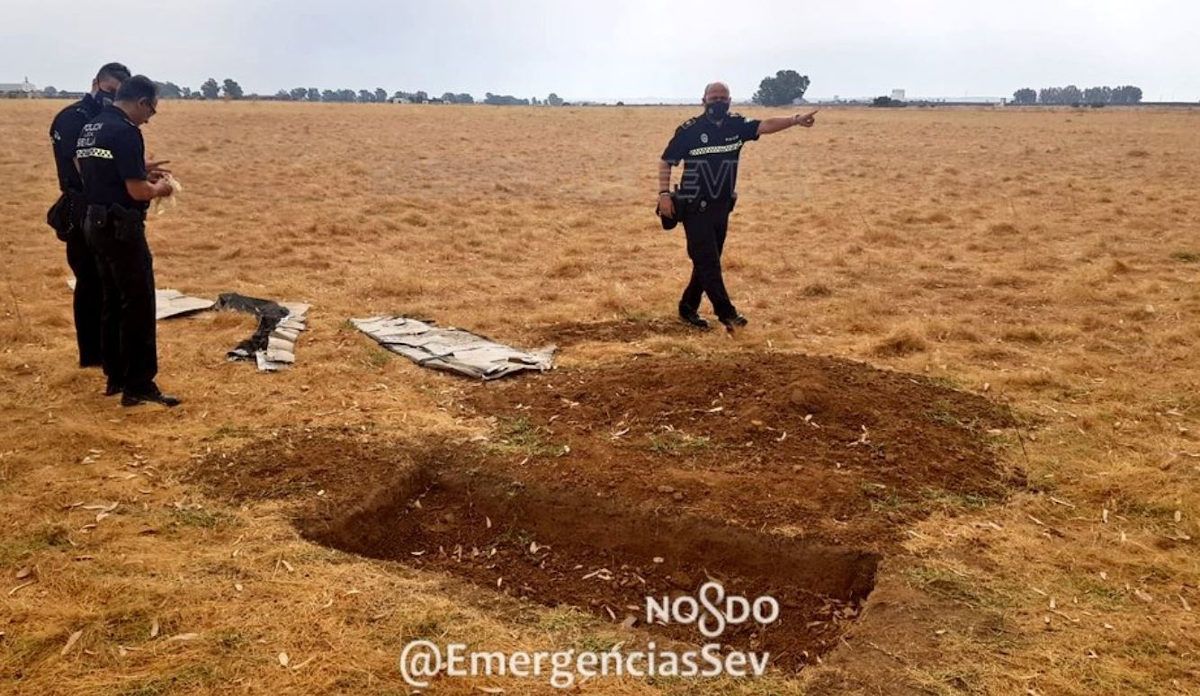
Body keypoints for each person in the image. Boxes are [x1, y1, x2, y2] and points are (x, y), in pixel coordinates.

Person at [657, 81, 816, 331]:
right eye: (713, 97)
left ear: (729, 101)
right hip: (694, 205)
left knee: (707, 261)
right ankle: (728, 315)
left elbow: (766, 125)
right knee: (708, 262)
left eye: (723, 98)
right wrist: (664, 194)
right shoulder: (690, 130)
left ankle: (687, 307)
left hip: (722, 207)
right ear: (704, 100)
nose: (718, 101)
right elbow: (666, 161)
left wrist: (795, 119)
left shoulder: (737, 125)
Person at [76, 75, 179, 407]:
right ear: (141, 102)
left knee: (111, 299)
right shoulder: (126, 131)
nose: (151, 117)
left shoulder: (91, 127)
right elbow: (137, 191)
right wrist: (160, 189)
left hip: (94, 221)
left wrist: (135, 169)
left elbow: (86, 169)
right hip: (122, 226)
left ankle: (116, 377)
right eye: (152, 109)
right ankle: (140, 384)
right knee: (137, 303)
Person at [48, 62, 131, 370]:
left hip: (107, 207)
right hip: (82, 206)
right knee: (89, 281)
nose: (111, 99)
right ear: (96, 83)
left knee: (110, 281)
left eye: (117, 94)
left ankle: (110, 351)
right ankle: (92, 355)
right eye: (108, 91)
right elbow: (85, 169)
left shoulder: (108, 118)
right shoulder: (72, 119)